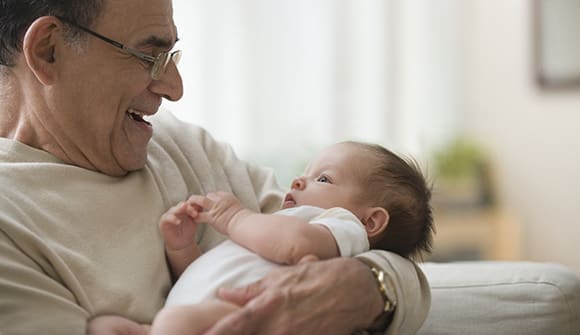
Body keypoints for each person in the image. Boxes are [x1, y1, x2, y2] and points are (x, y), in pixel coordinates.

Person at [0, 1, 430, 335]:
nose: (174, 88)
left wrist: (373, 287)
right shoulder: (11, 216)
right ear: (48, 50)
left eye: (172, 57)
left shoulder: (179, 145)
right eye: (149, 56)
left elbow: (378, 254)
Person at [148, 141, 434, 335]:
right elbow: (218, 274)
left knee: (172, 323)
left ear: (370, 221)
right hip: (206, 310)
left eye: (323, 179)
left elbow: (297, 246)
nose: (298, 181)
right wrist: (183, 248)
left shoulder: (341, 224)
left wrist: (236, 217)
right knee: (110, 326)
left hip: (249, 317)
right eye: (305, 173)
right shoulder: (274, 227)